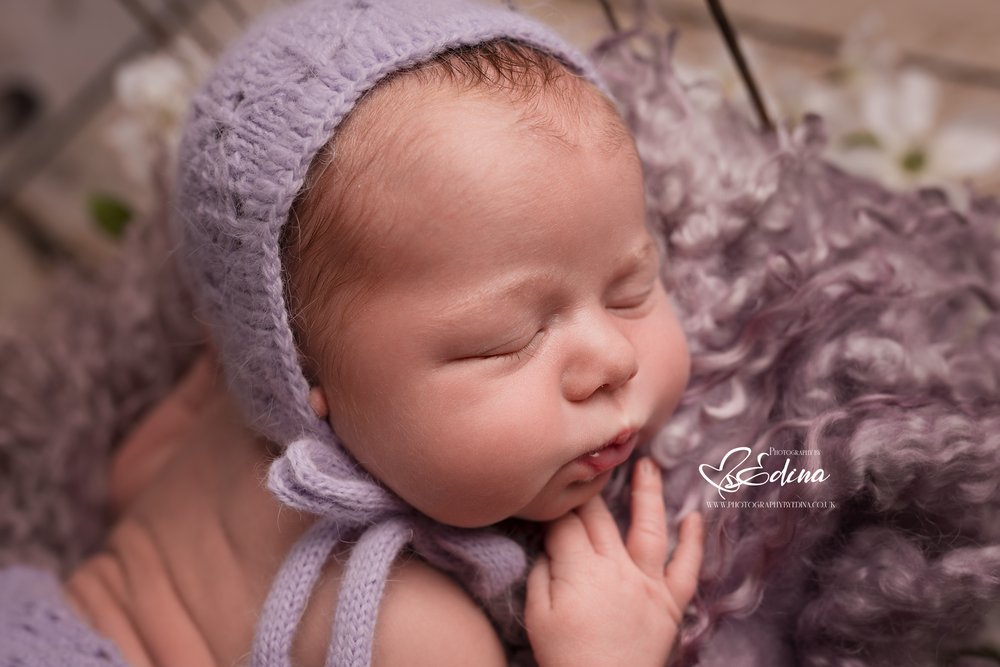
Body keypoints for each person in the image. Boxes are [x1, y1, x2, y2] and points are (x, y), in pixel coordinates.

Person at [0, 1, 704, 665]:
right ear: (299, 374)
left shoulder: (211, 423)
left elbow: (130, 484)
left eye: (631, 289)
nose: (613, 359)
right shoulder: (407, 630)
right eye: (506, 341)